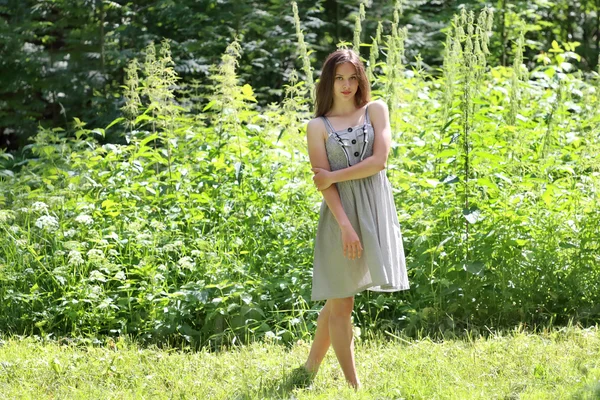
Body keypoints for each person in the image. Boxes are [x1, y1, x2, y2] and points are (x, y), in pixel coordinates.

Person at [302, 49, 410, 390]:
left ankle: (307, 370)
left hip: (374, 208)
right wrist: (345, 227)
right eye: (339, 78)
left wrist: (334, 176)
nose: (347, 85)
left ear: (361, 79)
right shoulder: (316, 126)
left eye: (353, 77)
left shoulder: (375, 110)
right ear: (328, 82)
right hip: (340, 216)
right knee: (342, 300)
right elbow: (323, 186)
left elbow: (380, 162)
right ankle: (354, 387)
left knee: (338, 298)